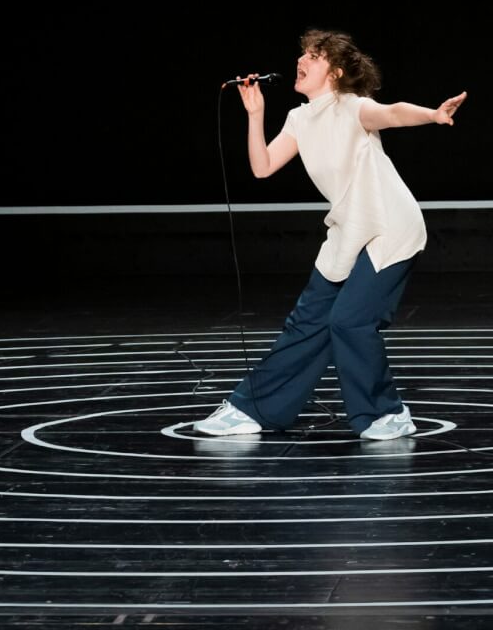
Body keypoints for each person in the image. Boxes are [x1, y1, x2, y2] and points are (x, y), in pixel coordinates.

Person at [193, 30, 467, 441]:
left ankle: (388, 413)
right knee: (306, 324)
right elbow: (262, 167)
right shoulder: (299, 118)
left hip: (388, 227)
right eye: (302, 53)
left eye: (314, 56)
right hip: (348, 230)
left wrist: (432, 114)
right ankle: (251, 409)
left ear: (336, 73)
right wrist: (254, 116)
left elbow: (391, 113)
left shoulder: (352, 107)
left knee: (349, 322)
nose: (301, 60)